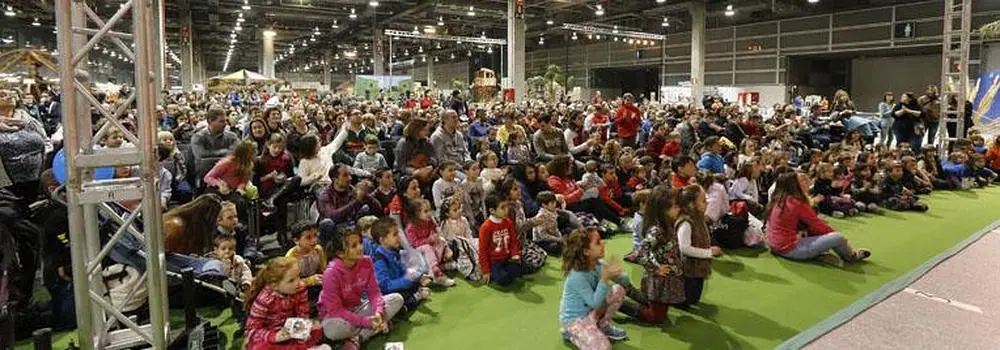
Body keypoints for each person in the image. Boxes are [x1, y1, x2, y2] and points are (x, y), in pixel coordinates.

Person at [319, 228, 405, 348]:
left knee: (397, 299)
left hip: (359, 308)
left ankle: (359, 337)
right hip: (337, 317)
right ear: (340, 253)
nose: (360, 247)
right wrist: (367, 321)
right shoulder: (330, 273)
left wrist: (378, 313)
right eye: (354, 246)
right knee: (332, 331)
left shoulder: (366, 261)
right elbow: (335, 310)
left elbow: (375, 293)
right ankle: (375, 327)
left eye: (360, 242)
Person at [765, 172, 872, 263]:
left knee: (817, 232)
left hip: (773, 245)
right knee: (838, 238)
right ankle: (851, 256)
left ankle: (819, 253)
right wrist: (835, 235)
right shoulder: (796, 203)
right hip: (788, 249)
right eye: (800, 181)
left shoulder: (777, 200)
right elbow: (818, 225)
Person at [559, 229, 630, 349]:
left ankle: (602, 325)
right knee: (603, 347)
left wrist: (618, 273)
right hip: (576, 320)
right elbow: (595, 303)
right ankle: (570, 333)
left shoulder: (598, 264)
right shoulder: (576, 276)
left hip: (592, 313)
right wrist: (604, 279)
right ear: (586, 251)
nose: (603, 243)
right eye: (598, 242)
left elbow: (625, 282)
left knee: (618, 290)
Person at [244, 257, 326, 350]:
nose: (298, 282)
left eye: (299, 276)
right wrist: (274, 336)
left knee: (317, 329)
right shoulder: (265, 299)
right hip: (270, 335)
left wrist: (301, 331)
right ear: (275, 285)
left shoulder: (300, 289)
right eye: (291, 280)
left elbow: (302, 314)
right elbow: (251, 330)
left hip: (290, 330)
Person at [637, 188, 685, 323]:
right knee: (655, 316)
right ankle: (626, 306)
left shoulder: (668, 225)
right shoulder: (656, 230)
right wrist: (655, 268)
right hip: (660, 279)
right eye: (675, 206)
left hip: (668, 278)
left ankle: (640, 299)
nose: (679, 209)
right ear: (664, 210)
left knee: (662, 310)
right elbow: (641, 252)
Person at [675, 185, 723, 308]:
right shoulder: (686, 222)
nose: (707, 203)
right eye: (703, 201)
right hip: (688, 268)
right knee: (687, 299)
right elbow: (684, 248)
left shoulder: (699, 217)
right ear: (691, 204)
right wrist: (708, 252)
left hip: (698, 267)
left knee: (694, 297)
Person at [372, 218, 432, 312]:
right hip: (389, 292)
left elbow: (402, 269)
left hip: (399, 284)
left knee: (416, 278)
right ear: (383, 240)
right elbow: (384, 285)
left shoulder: (394, 251)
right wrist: (407, 280)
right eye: (395, 235)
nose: (398, 237)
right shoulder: (379, 258)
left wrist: (418, 276)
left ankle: (413, 297)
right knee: (400, 297)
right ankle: (413, 299)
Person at [405, 198, 455, 287]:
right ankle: (436, 271)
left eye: (430, 210)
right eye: (425, 211)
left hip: (430, 245)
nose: (429, 213)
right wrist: (429, 240)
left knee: (440, 241)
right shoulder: (411, 227)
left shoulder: (430, 221)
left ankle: (440, 265)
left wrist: (436, 236)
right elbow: (414, 243)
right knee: (427, 247)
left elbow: (435, 230)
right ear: (416, 214)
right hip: (419, 251)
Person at [478, 194, 522, 286]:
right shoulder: (486, 227)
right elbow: (483, 250)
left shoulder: (508, 222)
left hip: (508, 257)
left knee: (519, 270)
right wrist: (486, 271)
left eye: (507, 206)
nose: (507, 210)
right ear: (492, 210)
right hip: (495, 261)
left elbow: (513, 241)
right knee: (503, 280)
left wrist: (515, 254)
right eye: (503, 207)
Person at [317, 164, 382, 225]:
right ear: (335, 179)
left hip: (351, 225)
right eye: (345, 175)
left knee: (366, 209)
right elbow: (332, 216)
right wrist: (356, 201)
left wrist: (365, 195)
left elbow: (379, 209)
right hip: (335, 226)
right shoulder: (325, 195)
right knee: (327, 223)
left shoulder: (353, 190)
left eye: (349, 175)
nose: (350, 178)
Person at [190, 107, 239, 175]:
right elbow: (201, 156)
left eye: (225, 120)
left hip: (229, 173)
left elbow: (236, 154)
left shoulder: (232, 136)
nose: (225, 124)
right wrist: (222, 152)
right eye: (221, 121)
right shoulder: (198, 137)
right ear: (210, 121)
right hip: (206, 174)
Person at [285, 222, 326, 294]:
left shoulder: (318, 250)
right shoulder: (291, 257)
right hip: (298, 287)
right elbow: (289, 283)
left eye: (315, 235)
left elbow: (323, 270)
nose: (314, 240)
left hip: (317, 282)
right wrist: (309, 281)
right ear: (296, 240)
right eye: (308, 237)